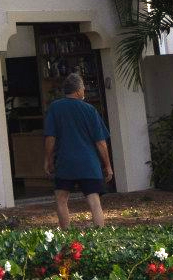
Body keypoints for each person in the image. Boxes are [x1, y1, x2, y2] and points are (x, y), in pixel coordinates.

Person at [43, 72, 114, 229]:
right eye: (83, 89)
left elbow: (50, 138)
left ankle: (67, 232)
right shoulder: (89, 110)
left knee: (61, 199)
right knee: (94, 201)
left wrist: (48, 160)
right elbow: (100, 142)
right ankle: (99, 234)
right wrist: (107, 166)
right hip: (88, 163)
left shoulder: (55, 108)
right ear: (77, 91)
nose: (84, 92)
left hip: (65, 161)